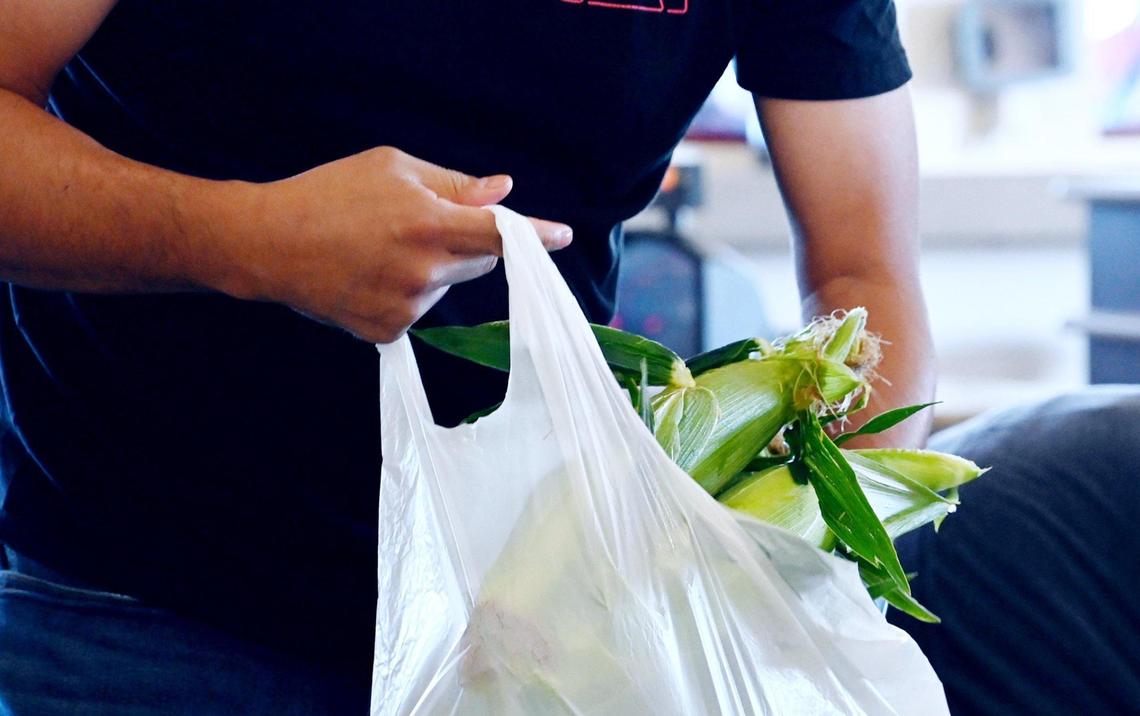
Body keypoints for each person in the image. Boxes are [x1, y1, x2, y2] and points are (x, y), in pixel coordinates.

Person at [0, 0, 931, 712]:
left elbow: (866, 269)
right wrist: (244, 241)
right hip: (146, 612)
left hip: (541, 634)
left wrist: (808, 559)